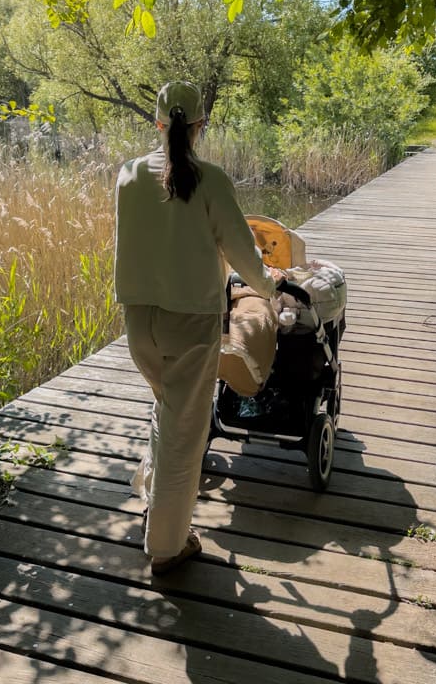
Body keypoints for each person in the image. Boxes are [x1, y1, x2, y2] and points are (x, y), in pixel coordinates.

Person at [113, 80, 284, 575]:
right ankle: (166, 547)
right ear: (200, 126)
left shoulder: (127, 174)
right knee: (186, 436)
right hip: (190, 321)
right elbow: (243, 254)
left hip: (138, 317)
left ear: (159, 123)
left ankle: (151, 491)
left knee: (167, 406)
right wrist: (270, 288)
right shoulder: (210, 179)